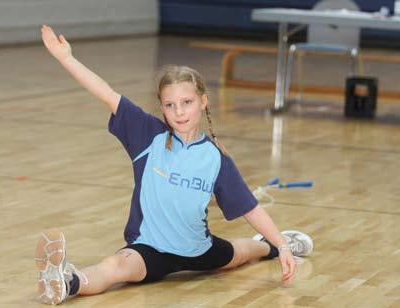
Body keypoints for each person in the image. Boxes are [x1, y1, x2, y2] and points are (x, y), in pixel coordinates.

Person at [35, 25, 313, 306]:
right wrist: (65, 58)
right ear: (162, 107)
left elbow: (249, 208)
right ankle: (67, 281)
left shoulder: (215, 157)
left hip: (197, 247)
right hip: (150, 249)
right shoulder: (147, 136)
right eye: (170, 105)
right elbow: (106, 93)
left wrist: (278, 244)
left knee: (239, 254)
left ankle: (275, 247)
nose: (179, 112)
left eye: (187, 102)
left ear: (203, 102)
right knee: (115, 267)